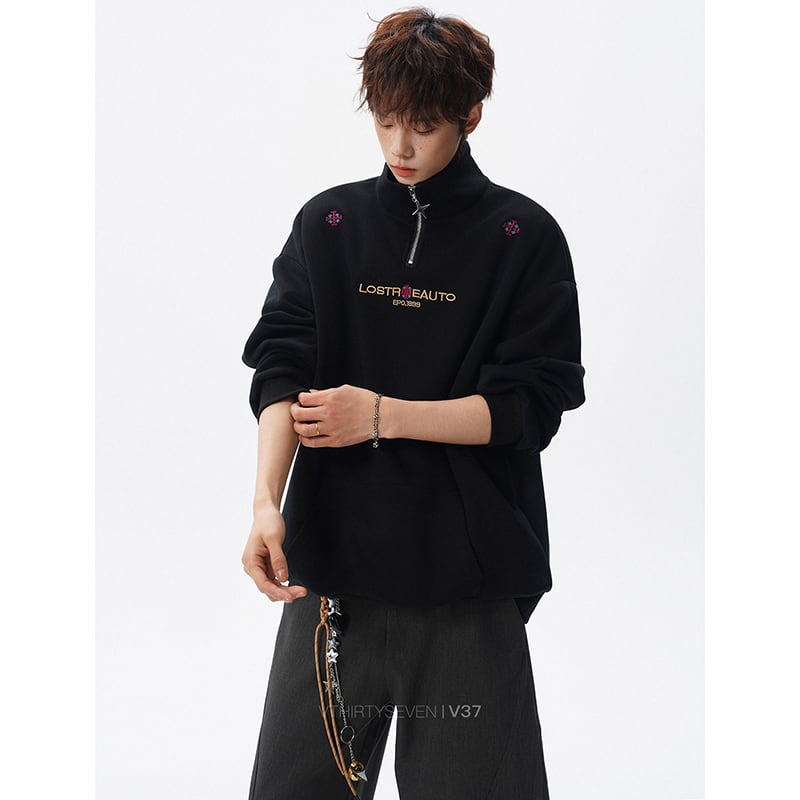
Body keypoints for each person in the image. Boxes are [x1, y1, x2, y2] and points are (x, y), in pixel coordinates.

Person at [241, 8, 586, 799]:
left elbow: (531, 407)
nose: (400, 146)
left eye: (424, 126)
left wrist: (381, 414)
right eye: (387, 120)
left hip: (466, 584)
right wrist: (265, 502)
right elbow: (280, 366)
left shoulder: (521, 235)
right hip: (332, 575)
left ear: (471, 116)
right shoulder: (328, 225)